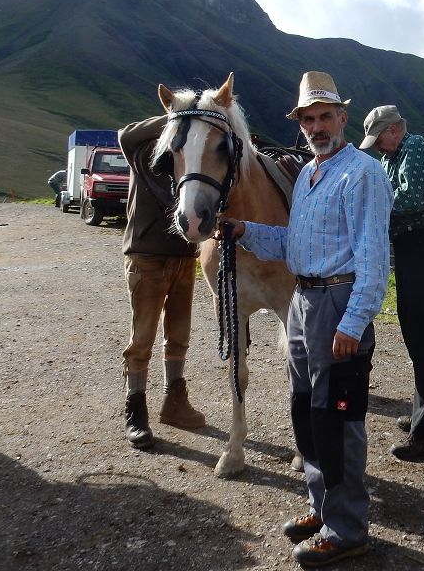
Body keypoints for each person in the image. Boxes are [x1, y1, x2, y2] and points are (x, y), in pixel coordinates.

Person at [222, 71, 392, 568]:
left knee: (339, 418)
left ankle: (347, 530)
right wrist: (244, 230)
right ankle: (322, 508)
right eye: (308, 120)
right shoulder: (309, 175)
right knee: (308, 412)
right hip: (303, 300)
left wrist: (353, 322)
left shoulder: (362, 173)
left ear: (343, 118)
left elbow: (373, 257)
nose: (317, 127)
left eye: (325, 117)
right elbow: (292, 245)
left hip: (338, 302)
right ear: (300, 125)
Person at [359, 106, 424, 461]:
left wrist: (368, 209)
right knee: (418, 332)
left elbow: (412, 198)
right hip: (412, 246)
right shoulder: (390, 158)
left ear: (394, 130)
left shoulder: (415, 146)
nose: (377, 146)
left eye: (379, 138)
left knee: (423, 332)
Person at [118, 116, 205, 449]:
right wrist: (177, 116)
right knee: (142, 339)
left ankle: (174, 402)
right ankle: (135, 409)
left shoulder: (186, 154)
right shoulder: (140, 148)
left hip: (184, 255)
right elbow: (124, 134)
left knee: (179, 336)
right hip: (146, 255)